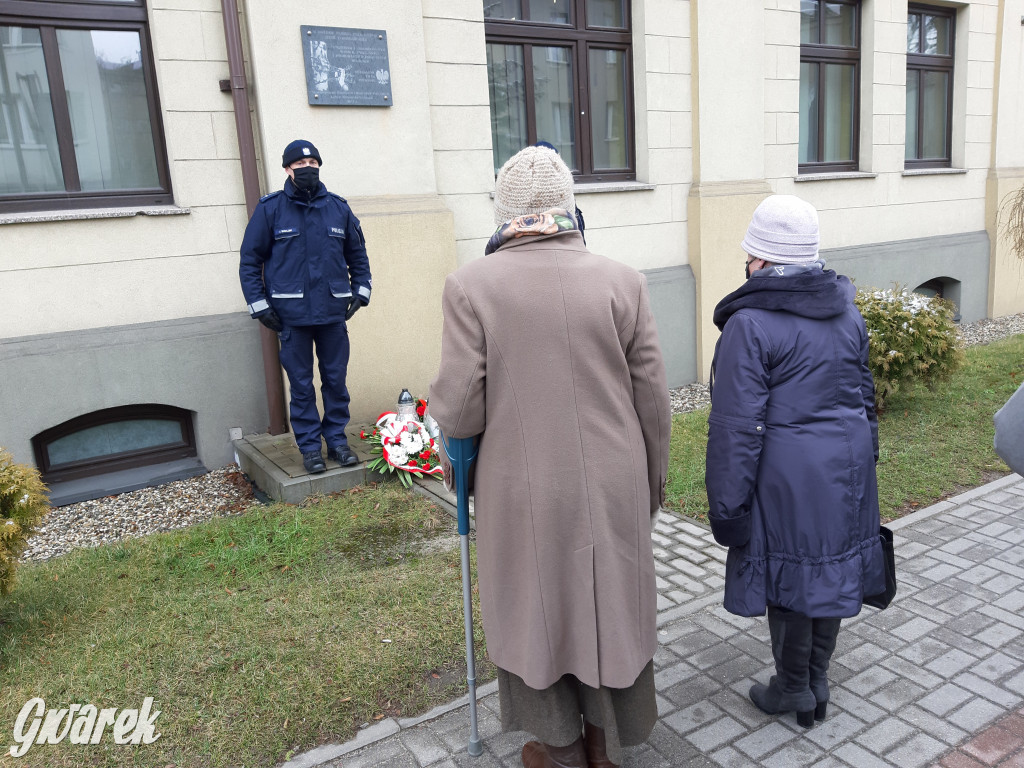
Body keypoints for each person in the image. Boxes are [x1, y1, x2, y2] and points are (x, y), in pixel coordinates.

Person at [429, 145, 671, 768]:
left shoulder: (471, 285)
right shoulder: (624, 280)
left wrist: (449, 451)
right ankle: (604, 745)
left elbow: (458, 408)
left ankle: (557, 747)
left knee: (538, 611)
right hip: (616, 476)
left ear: (502, 212)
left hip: (523, 483)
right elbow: (652, 399)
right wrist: (653, 484)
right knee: (607, 610)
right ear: (570, 205)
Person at [704, 195, 886, 728]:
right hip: (846, 470)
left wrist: (728, 506)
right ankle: (817, 682)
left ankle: (793, 687)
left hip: (787, 478)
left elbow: (736, 427)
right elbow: (863, 393)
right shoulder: (846, 309)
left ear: (760, 258)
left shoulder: (751, 324)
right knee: (826, 570)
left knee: (790, 579)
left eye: (749, 252)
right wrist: (866, 458)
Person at [239, 139, 372, 474]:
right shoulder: (270, 210)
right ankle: (311, 448)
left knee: (335, 381)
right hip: (290, 318)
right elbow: (250, 260)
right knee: (300, 386)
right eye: (300, 165)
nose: (308, 169)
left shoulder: (338, 209)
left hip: (332, 313)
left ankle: (338, 443)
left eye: (313, 164)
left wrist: (361, 291)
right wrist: (260, 305)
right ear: (287, 169)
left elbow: (357, 255)